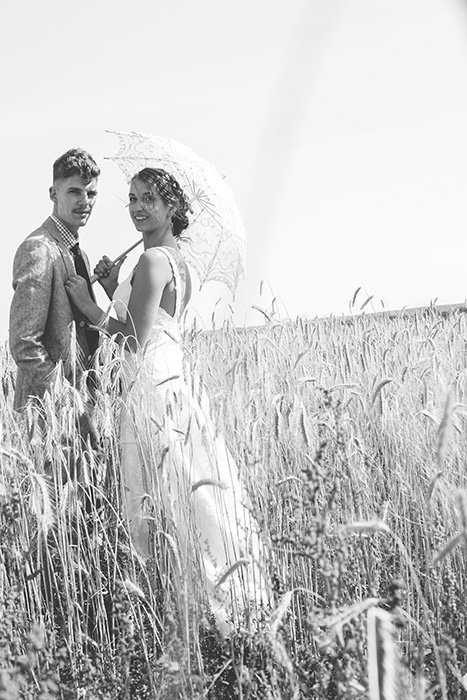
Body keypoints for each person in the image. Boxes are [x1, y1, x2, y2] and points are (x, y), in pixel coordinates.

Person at [65, 167, 268, 630]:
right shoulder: (173, 261)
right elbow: (148, 314)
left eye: (149, 199)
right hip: (174, 381)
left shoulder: (153, 261)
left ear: (171, 208)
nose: (137, 207)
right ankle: (207, 607)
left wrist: (86, 301)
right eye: (133, 198)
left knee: (160, 494)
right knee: (189, 490)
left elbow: (132, 338)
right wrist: (113, 281)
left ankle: (177, 611)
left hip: (150, 389)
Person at [9, 148, 101, 411]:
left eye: (91, 193)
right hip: (48, 417)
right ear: (53, 194)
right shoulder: (38, 249)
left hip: (88, 407)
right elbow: (24, 343)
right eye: (74, 191)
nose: (85, 201)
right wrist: (68, 404)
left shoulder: (78, 253)